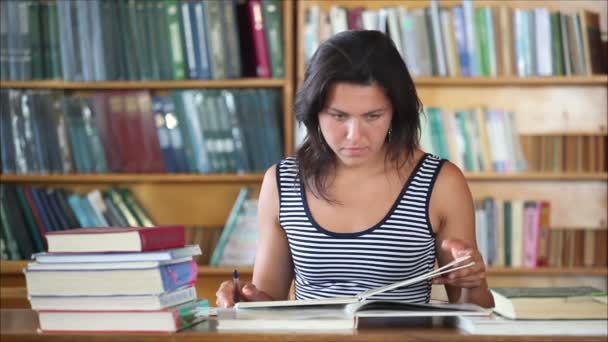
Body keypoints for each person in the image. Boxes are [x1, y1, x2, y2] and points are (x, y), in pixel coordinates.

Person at [216, 30, 494, 309]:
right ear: (315, 112)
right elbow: (268, 304)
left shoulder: (441, 183)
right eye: (338, 116)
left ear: (395, 111)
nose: (354, 136)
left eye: (372, 116)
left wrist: (473, 282)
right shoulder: (282, 182)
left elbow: (475, 313)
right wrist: (244, 299)